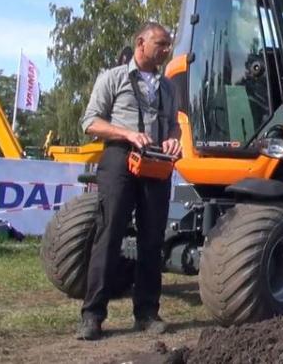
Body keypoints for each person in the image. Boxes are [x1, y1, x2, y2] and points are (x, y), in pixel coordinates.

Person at [76, 22, 183, 340]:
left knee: (153, 240)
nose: (166, 50)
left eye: (168, 45)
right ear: (141, 42)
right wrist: (126, 133)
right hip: (120, 159)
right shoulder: (113, 78)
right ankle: (92, 315)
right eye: (161, 44)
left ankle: (148, 313)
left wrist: (174, 140)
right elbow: (90, 122)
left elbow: (175, 125)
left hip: (157, 164)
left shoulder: (168, 87)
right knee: (109, 235)